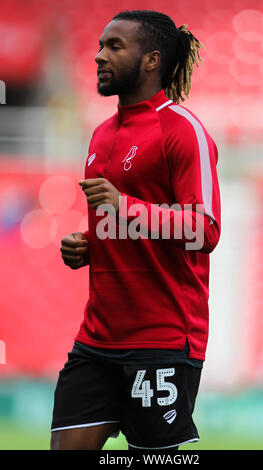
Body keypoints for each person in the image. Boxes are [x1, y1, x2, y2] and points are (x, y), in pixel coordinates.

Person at [50, 10, 221, 451]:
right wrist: (88, 245)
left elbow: (205, 229)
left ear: (151, 60)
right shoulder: (101, 135)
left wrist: (123, 206)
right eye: (99, 46)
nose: (99, 56)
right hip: (96, 337)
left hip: (161, 339)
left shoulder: (184, 132)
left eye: (114, 46)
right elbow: (120, 225)